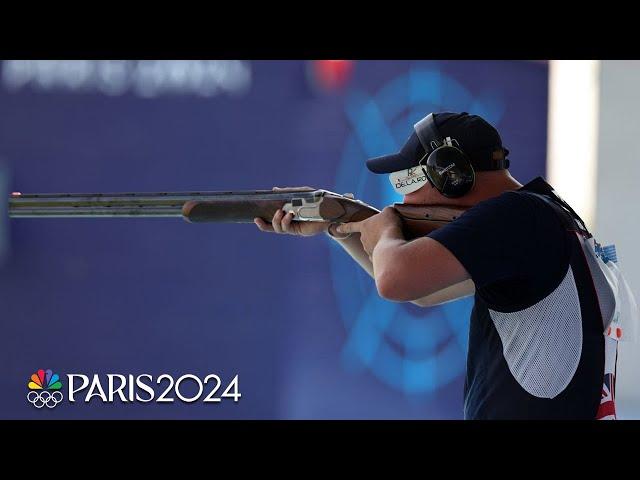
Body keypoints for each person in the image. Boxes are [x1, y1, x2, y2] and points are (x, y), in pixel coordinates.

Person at [254, 111, 614, 420]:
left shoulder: (515, 216)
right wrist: (342, 223)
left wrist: (384, 228)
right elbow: (427, 290)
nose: (403, 197)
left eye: (407, 180)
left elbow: (396, 279)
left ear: (450, 173)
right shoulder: (543, 216)